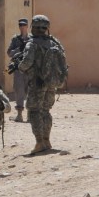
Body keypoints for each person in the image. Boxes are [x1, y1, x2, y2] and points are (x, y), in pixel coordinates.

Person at [18, 14, 66, 155]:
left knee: (34, 111)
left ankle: (39, 142)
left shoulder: (32, 44)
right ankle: (47, 140)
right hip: (52, 83)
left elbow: (26, 63)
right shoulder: (54, 43)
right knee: (45, 111)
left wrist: (20, 67)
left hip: (37, 83)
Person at [7, 18, 30, 122]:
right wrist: (19, 49)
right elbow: (9, 53)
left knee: (30, 91)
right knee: (19, 90)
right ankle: (19, 114)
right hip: (19, 68)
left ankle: (30, 115)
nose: (22, 27)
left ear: (27, 26)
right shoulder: (15, 39)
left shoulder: (32, 39)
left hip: (30, 69)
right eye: (20, 25)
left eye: (24, 25)